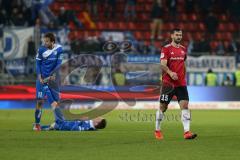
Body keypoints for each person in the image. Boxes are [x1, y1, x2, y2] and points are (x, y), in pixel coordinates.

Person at [155, 28, 197, 140]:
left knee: (185, 106)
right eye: (177, 35)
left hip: (181, 84)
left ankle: (187, 132)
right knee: (163, 107)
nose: (179, 37)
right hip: (168, 83)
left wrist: (185, 76)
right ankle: (157, 130)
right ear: (172, 36)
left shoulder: (183, 49)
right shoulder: (166, 49)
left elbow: (183, 64)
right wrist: (170, 73)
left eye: (180, 35)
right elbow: (162, 64)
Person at [33, 32, 64, 131]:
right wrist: (39, 76)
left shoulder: (59, 49)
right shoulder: (41, 49)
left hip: (53, 79)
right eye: (44, 41)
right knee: (40, 101)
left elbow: (59, 63)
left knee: (56, 101)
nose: (45, 43)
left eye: (47, 41)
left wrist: (53, 74)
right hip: (42, 79)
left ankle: (59, 122)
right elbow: (37, 64)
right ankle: (37, 124)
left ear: (52, 42)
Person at [41, 117, 107, 131]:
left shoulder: (88, 127)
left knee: (55, 105)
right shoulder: (90, 124)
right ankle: (40, 127)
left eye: (98, 118)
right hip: (67, 121)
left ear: (96, 123)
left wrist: (81, 120)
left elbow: (75, 128)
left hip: (65, 124)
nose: (97, 117)